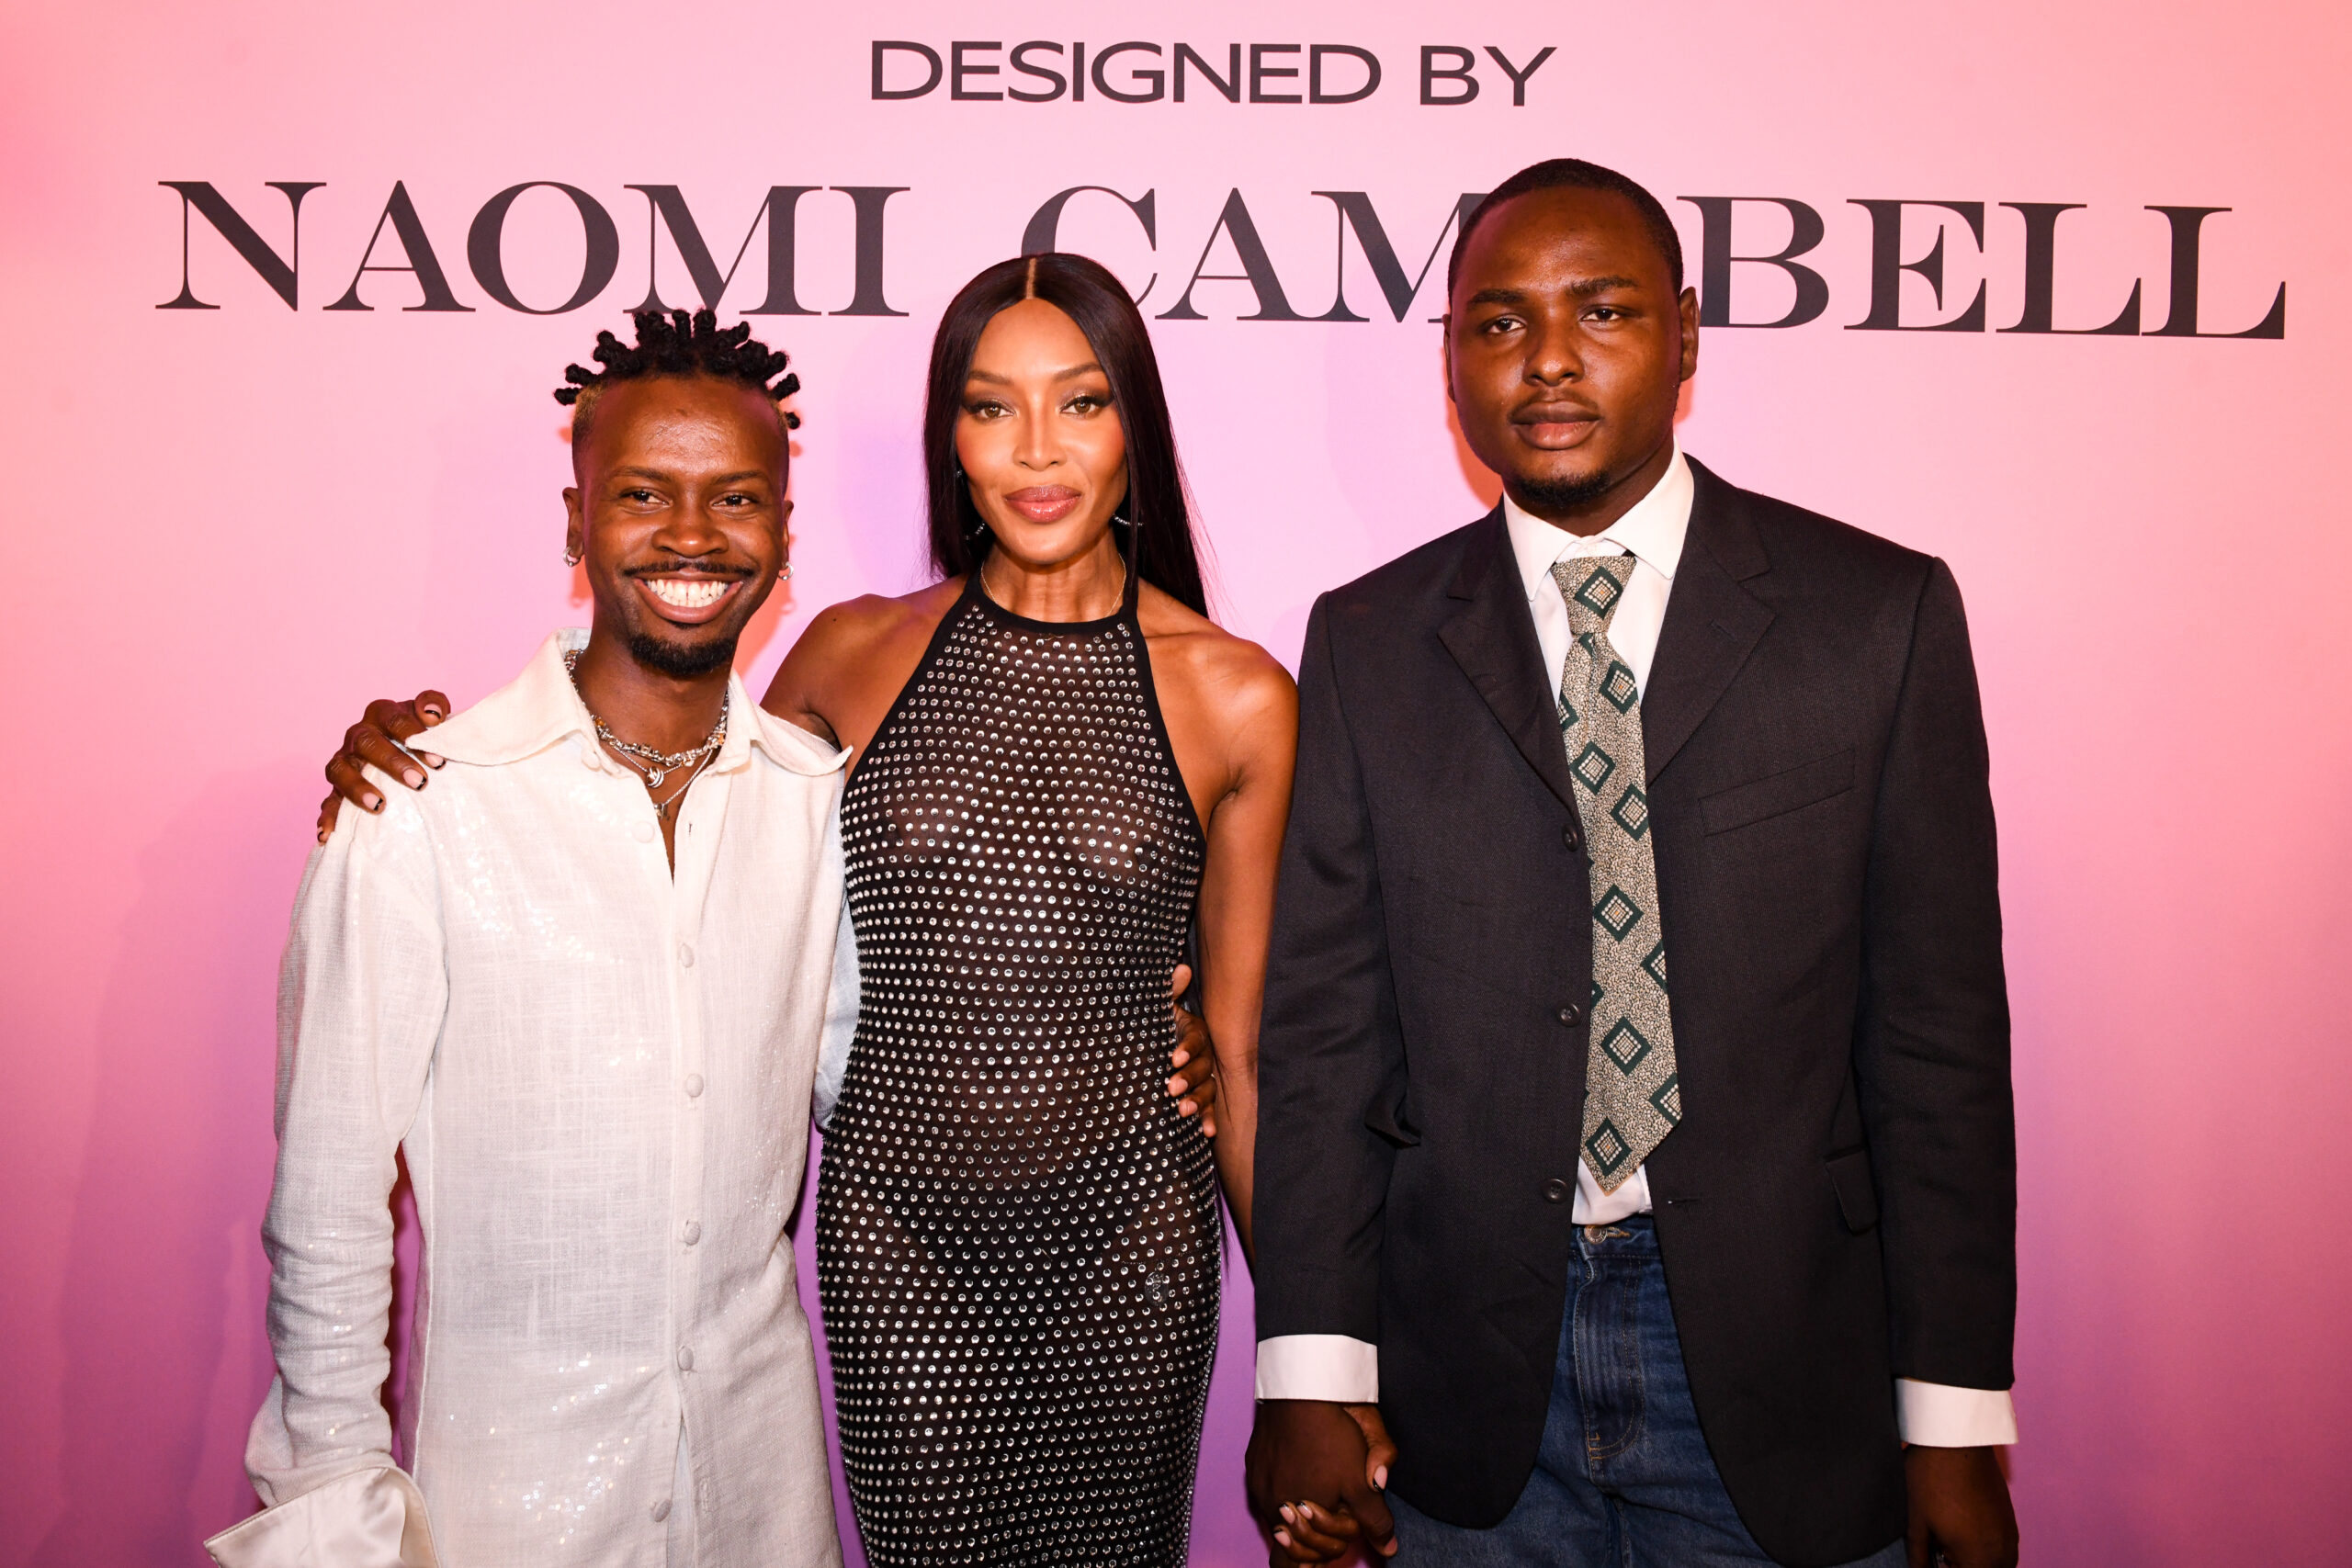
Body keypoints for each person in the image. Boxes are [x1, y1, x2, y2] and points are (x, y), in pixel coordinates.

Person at [311, 257, 1286, 1565]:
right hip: (900, 1256)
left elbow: (1249, 1046)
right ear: (950, 437)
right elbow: (699, 850)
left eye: (1082, 402)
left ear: (1134, 428)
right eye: (991, 406)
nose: (1037, 448)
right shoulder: (845, 654)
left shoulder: (1236, 693)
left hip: (1129, 1251)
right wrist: (430, 756)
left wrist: (1311, 1364)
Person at [1244, 159, 2021, 1568]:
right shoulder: (1367, 640)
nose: (1547, 358)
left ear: (1687, 335)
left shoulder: (1876, 618)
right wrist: (1309, 1372)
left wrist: (1956, 1422)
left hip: (1787, 1371)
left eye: (1600, 311)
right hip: (1466, 1382)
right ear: (1450, 364)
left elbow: (1937, 1044)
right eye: (1499, 322)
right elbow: (1327, 1037)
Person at [211, 310, 847, 1568]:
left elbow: (872, 1088)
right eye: (642, 494)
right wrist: (338, 1512)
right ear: (575, 522)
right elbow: (329, 1204)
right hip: (500, 1514)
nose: (691, 535)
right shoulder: (419, 806)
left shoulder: (813, 802)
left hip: (760, 1505)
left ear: (783, 534)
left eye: (734, 499)